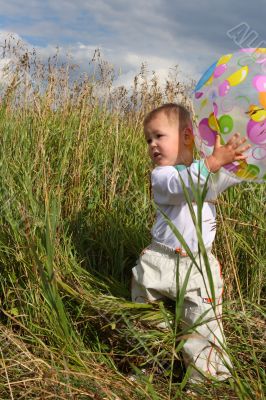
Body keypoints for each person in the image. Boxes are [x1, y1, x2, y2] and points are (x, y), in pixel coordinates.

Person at [131, 103, 250, 383]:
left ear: (186, 136)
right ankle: (152, 364)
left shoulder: (206, 170)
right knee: (145, 316)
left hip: (198, 266)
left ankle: (204, 379)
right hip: (159, 261)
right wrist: (211, 163)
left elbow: (225, 176)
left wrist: (234, 157)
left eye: (159, 136)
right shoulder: (162, 175)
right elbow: (182, 186)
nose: (152, 145)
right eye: (148, 139)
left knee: (203, 324)